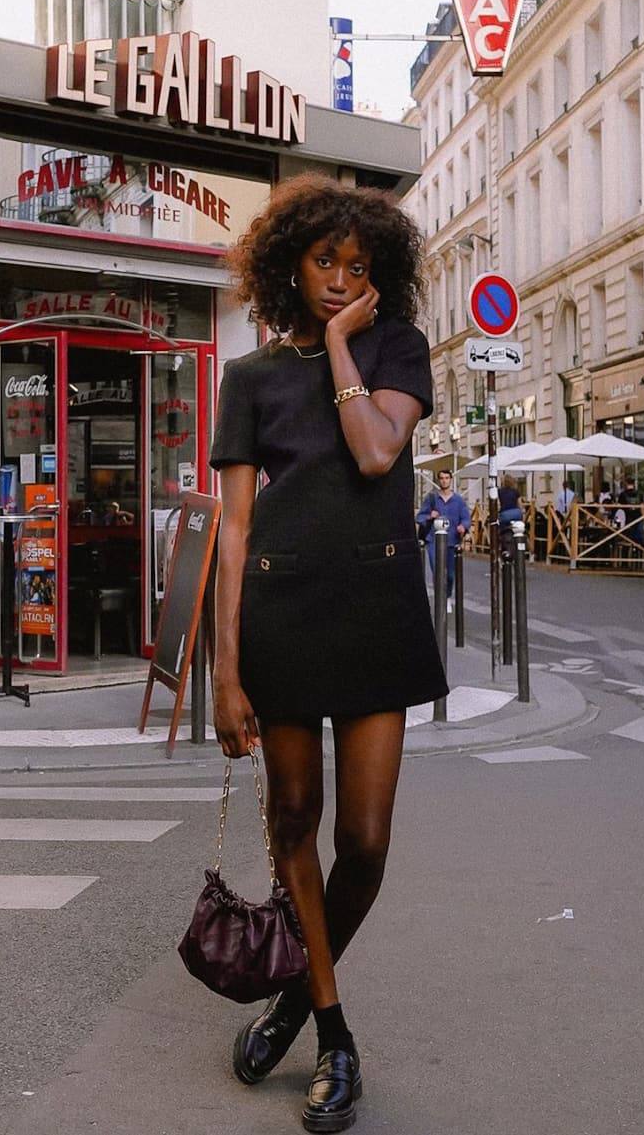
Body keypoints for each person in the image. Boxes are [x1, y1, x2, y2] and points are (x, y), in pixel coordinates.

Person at [209, 173, 448, 1134]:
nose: (342, 276)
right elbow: (231, 530)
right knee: (296, 819)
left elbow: (377, 451)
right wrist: (226, 673)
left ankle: (294, 998)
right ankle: (334, 1035)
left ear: (379, 273)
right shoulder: (252, 377)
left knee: (368, 843)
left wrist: (345, 341)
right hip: (279, 609)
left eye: (359, 263)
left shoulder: (397, 347)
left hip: (375, 607)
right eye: (324, 260)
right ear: (288, 264)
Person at [415, 469, 471, 605]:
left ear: (451, 480)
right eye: (442, 478)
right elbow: (419, 517)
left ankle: (448, 595)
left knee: (450, 575)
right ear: (438, 480)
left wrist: (463, 526)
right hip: (433, 540)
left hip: (452, 540)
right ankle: (441, 600)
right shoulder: (431, 498)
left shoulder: (458, 500)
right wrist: (429, 516)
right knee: (438, 571)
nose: (444, 480)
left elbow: (466, 518)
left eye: (447, 478)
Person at [617, 476, 644, 547]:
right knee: (640, 537)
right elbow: (642, 507)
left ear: (626, 483)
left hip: (628, 518)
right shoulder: (640, 494)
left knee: (629, 538)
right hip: (639, 518)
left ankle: (630, 552)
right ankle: (641, 551)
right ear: (634, 484)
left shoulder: (622, 494)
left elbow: (619, 507)